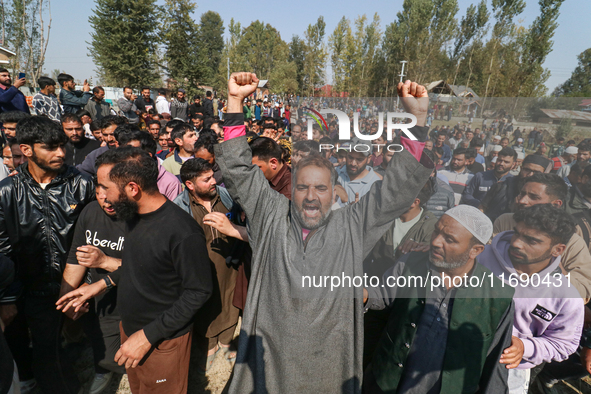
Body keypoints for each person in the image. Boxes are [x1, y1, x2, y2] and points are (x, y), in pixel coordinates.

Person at [215, 72, 433, 393]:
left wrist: (418, 120)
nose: (311, 196)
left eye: (321, 187)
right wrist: (235, 102)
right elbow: (238, 170)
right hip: (270, 358)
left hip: (328, 362)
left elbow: (396, 190)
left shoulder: (352, 224)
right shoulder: (271, 213)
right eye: (302, 186)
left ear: (335, 192)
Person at [57, 147, 213, 393]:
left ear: (132, 188)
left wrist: (147, 336)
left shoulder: (182, 232)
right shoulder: (133, 216)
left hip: (161, 340)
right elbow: (137, 265)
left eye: (105, 187)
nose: (102, 195)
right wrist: (99, 285)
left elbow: (198, 291)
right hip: (132, 331)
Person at [363, 205, 515, 394]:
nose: (435, 241)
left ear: (475, 250)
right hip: (387, 384)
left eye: (449, 239)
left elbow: (495, 364)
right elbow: (383, 295)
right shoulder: (409, 264)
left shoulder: (497, 297)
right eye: (436, 230)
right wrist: (364, 294)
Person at [0, 116, 95, 394]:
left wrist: (86, 285)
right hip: (35, 293)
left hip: (82, 287)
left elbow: (97, 238)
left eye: (62, 146)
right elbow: (3, 250)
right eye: (50, 147)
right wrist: (7, 298)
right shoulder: (7, 193)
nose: (61, 153)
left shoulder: (83, 185)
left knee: (92, 348)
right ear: (26, 150)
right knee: (48, 357)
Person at [480, 205, 584, 392]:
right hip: (454, 351)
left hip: (511, 370)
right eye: (517, 233)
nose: (517, 243)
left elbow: (564, 344)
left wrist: (525, 347)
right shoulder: (478, 257)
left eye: (531, 240)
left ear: (557, 250)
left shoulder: (565, 295)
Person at [174, 158, 244, 370]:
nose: (214, 181)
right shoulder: (179, 208)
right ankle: (209, 345)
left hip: (231, 266)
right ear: (190, 185)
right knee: (206, 307)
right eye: (207, 179)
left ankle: (225, 341)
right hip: (200, 272)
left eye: (213, 176)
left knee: (230, 303)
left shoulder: (225, 196)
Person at [58, 179, 126, 393]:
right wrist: (67, 297)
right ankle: (102, 371)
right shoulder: (89, 212)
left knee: (137, 356)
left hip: (134, 302)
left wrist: (105, 261)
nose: (105, 200)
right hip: (100, 303)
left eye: (109, 193)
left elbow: (150, 268)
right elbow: (76, 257)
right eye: (98, 194)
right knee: (104, 355)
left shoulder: (140, 217)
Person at [493, 173, 591, 301]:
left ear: (556, 204)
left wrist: (551, 264)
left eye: (533, 197)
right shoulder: (505, 221)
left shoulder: (572, 240)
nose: (522, 201)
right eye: (522, 194)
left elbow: (582, 294)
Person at [480, 154, 552, 222]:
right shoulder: (501, 186)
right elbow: (482, 208)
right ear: (521, 168)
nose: (530, 175)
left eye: (536, 172)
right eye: (527, 170)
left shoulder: (545, 196)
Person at [336, 138, 383, 205]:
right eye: (350, 157)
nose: (353, 163)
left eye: (359, 159)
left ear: (369, 158)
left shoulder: (375, 184)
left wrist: (359, 210)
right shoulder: (336, 172)